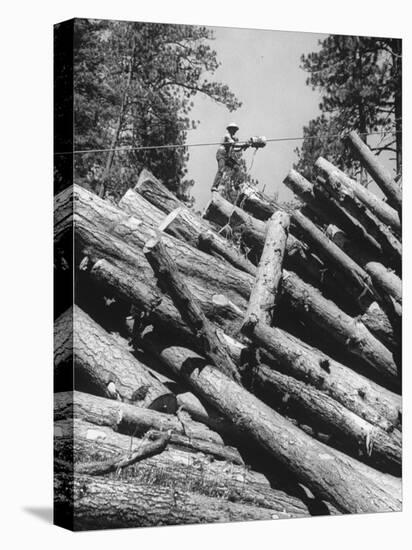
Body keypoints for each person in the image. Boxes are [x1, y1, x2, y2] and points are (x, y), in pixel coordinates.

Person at [211, 123, 250, 191]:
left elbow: (235, 149)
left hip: (227, 156)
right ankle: (214, 186)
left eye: (235, 130)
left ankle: (236, 185)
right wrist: (243, 144)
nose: (235, 131)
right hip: (221, 154)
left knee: (237, 167)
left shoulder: (232, 138)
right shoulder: (227, 136)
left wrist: (244, 146)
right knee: (221, 169)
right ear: (230, 129)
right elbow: (234, 144)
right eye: (234, 129)